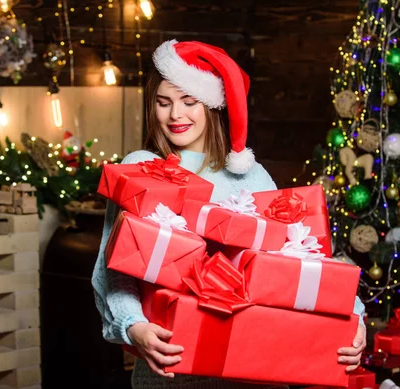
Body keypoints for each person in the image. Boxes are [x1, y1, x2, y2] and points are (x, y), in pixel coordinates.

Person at [92, 39, 367, 389]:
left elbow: (306, 260)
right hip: (174, 374)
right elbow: (112, 269)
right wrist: (134, 326)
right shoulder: (140, 170)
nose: (175, 115)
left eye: (189, 101)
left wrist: (354, 317)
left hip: (256, 373)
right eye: (164, 103)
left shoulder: (252, 176)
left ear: (212, 105)